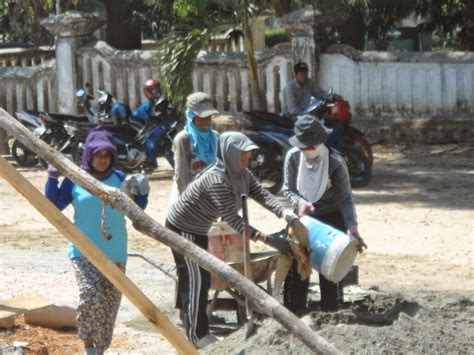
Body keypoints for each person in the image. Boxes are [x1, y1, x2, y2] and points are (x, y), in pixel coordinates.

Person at [165, 131, 291, 348]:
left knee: (201, 279)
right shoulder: (216, 179)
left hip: (200, 229)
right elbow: (232, 218)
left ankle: (198, 330)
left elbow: (262, 195)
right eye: (242, 158)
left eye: (248, 157)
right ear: (229, 155)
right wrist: (266, 238)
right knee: (195, 280)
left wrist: (284, 213)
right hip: (182, 227)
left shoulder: (242, 174)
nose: (246, 162)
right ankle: (197, 336)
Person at [45, 126, 149, 355]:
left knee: (110, 303)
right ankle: (89, 345)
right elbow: (54, 205)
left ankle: (99, 350)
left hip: (116, 252)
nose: (102, 160)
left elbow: (137, 213)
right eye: (97, 155)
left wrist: (142, 193)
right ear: (89, 154)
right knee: (90, 294)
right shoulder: (75, 179)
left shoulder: (121, 179)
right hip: (84, 251)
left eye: (106, 155)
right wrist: (52, 178)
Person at [282, 115, 366, 314]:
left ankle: (330, 312)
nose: (307, 151)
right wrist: (300, 203)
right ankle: (295, 312)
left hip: (330, 217)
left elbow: (345, 198)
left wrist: (352, 227)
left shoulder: (335, 162)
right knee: (298, 267)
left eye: (311, 147)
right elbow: (288, 189)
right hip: (303, 220)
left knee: (330, 268)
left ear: (320, 143)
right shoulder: (293, 158)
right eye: (304, 147)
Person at [170, 92, 219, 205]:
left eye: (208, 117)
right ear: (191, 116)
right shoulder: (183, 139)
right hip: (187, 198)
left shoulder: (215, 137)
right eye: (201, 118)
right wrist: (191, 202)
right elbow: (182, 176)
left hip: (210, 196)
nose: (206, 122)